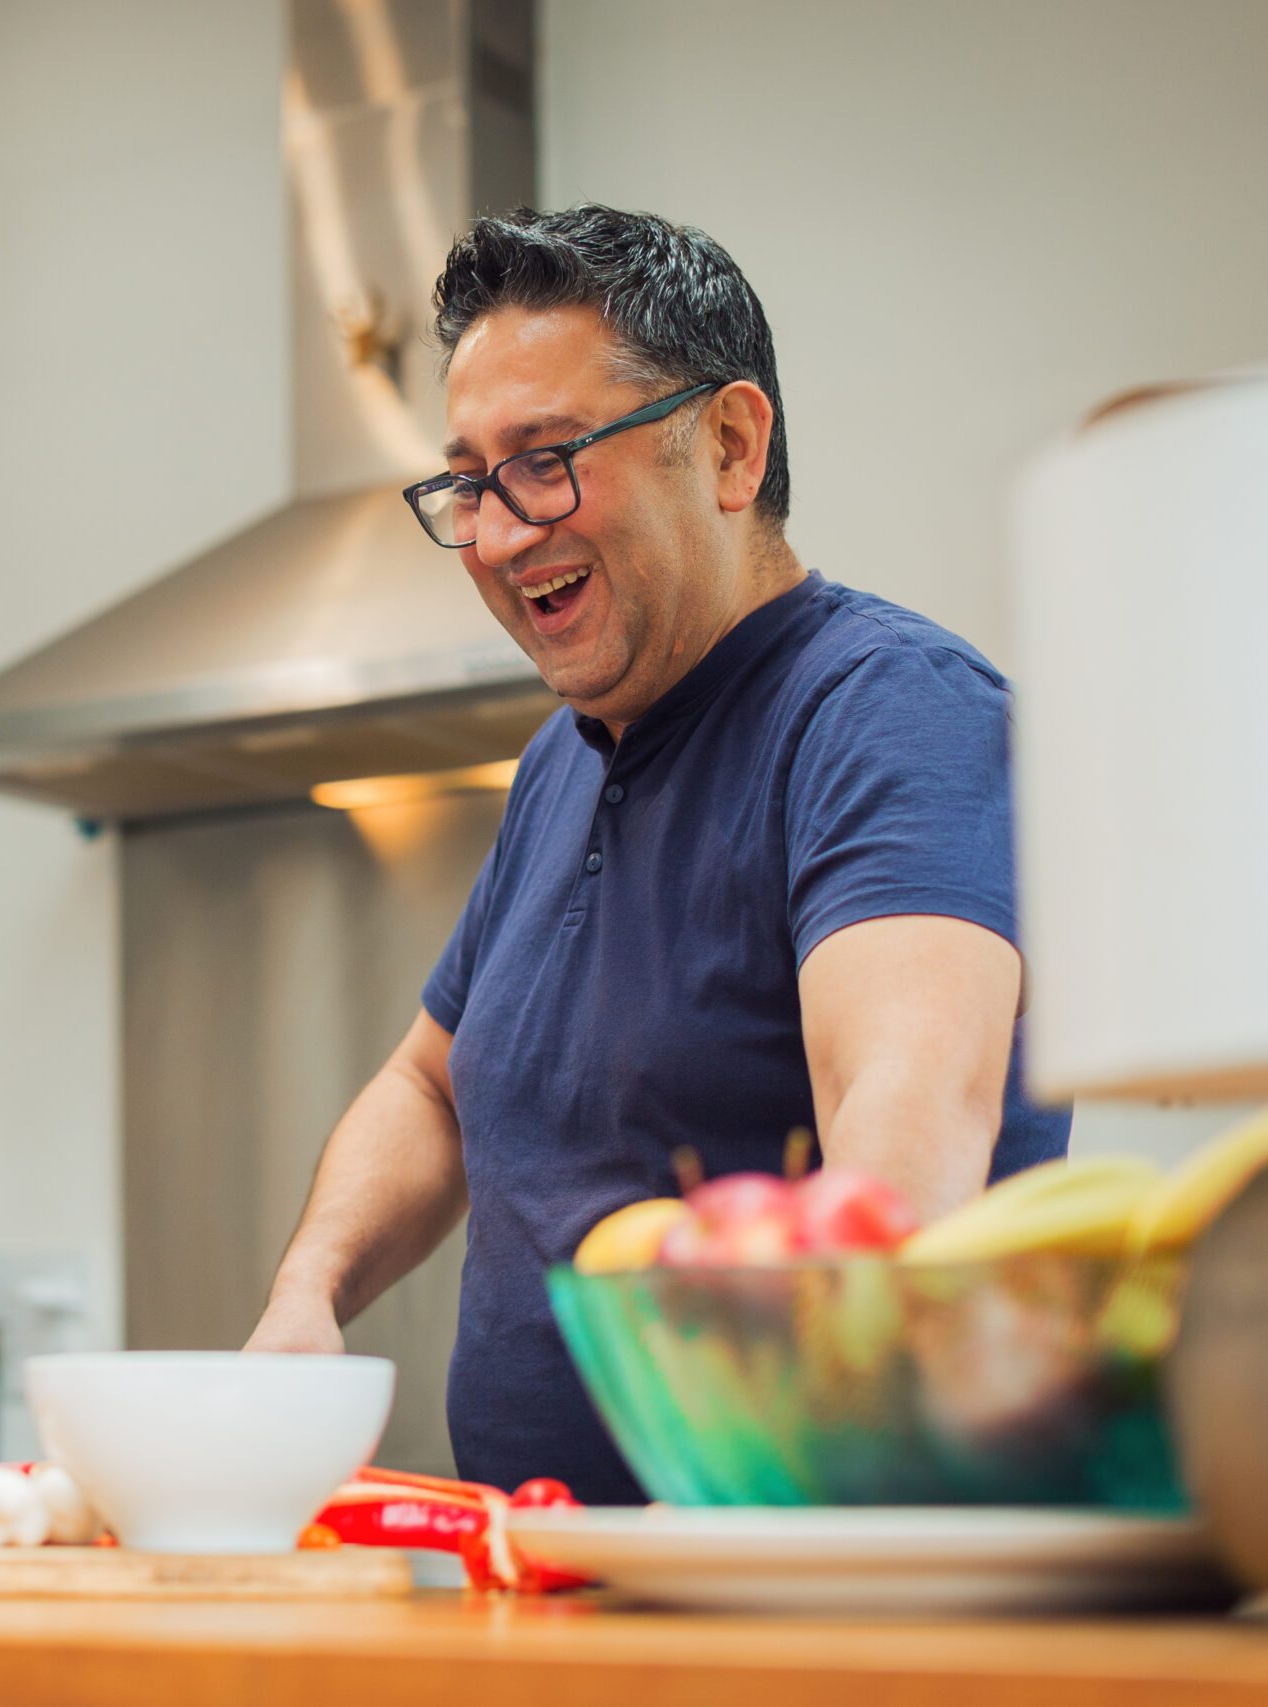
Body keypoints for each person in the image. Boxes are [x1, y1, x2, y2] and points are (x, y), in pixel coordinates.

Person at [244, 205, 1069, 1503]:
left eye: (548, 459)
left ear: (731, 446)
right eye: (468, 480)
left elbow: (907, 1126)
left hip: (803, 1594)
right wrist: (310, 1291)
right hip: (557, 1584)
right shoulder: (561, 762)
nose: (504, 534)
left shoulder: (893, 712)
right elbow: (428, 1089)